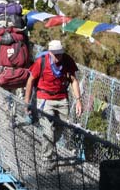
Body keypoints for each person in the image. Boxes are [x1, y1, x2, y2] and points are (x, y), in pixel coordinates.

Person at [24, 40, 82, 170]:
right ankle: (47, 157)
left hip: (62, 99)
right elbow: (30, 80)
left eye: (60, 54)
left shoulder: (67, 61)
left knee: (61, 129)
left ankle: (47, 145)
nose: (58, 57)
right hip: (44, 99)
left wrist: (78, 100)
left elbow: (73, 80)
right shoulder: (41, 62)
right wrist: (27, 102)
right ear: (50, 52)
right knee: (48, 131)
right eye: (55, 54)